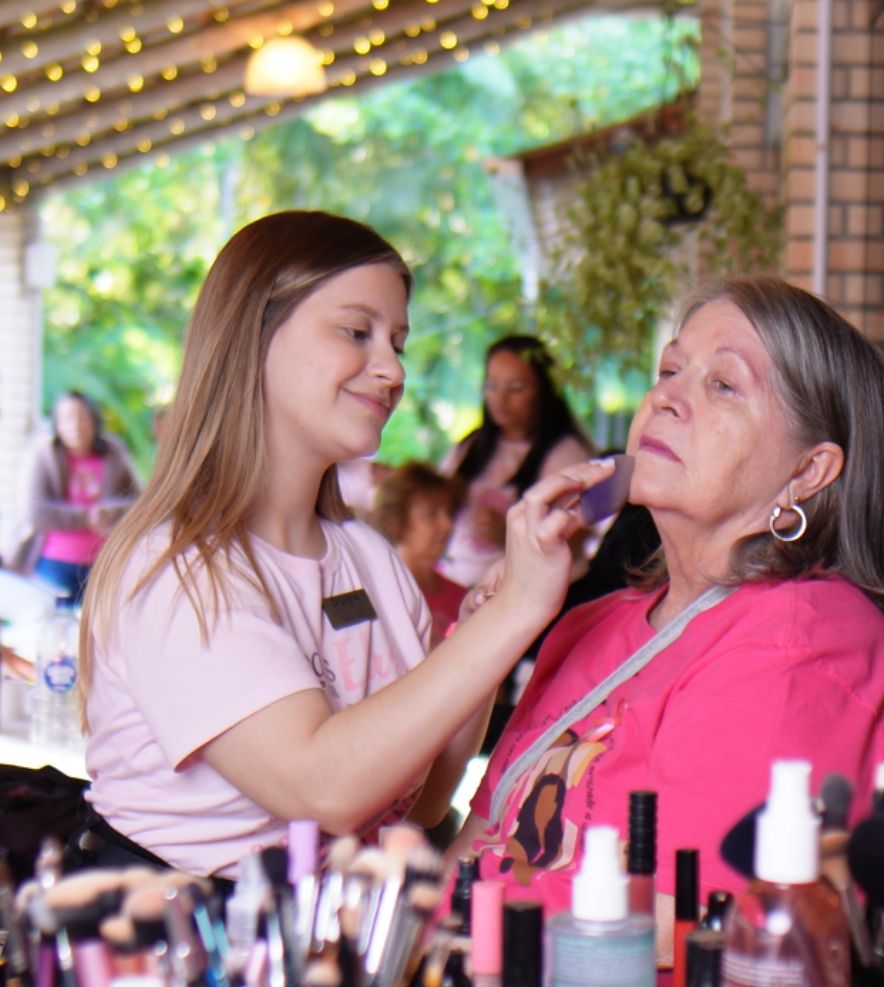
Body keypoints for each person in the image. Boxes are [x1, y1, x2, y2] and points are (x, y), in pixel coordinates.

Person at [77, 211, 614, 878]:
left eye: (398, 343)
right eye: (357, 333)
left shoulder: (367, 561)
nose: (390, 370)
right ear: (255, 337)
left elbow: (421, 802)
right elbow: (323, 787)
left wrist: (480, 633)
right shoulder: (181, 569)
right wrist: (514, 616)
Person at [447, 276, 884, 965]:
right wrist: (496, 626)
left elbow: (689, 928)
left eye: (723, 385)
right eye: (669, 370)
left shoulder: (804, 640)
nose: (666, 398)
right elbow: (481, 845)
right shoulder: (592, 624)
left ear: (808, 471)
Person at [439, 335, 593, 589]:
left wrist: (512, 538)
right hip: (456, 588)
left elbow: (573, 544)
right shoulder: (471, 446)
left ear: (543, 391)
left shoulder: (567, 456)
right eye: (491, 386)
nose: (500, 399)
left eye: (516, 388)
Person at [3, 391, 141, 605]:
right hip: (54, 564)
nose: (75, 426)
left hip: (104, 565)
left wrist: (109, 512)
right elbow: (35, 512)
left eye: (82, 417)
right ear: (57, 424)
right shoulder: (43, 455)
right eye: (67, 418)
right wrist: (86, 517)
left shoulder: (114, 453)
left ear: (94, 420)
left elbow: (140, 502)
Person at [370, 461, 467, 649]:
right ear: (398, 519)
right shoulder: (379, 590)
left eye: (450, 514)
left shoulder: (462, 598)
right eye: (432, 514)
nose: (447, 525)